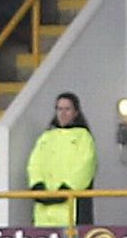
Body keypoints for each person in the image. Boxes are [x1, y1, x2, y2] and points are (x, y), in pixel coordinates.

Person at [27, 92, 96, 226]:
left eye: (67, 109)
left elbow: (85, 166)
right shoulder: (46, 137)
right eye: (59, 109)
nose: (62, 113)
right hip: (44, 214)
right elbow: (34, 164)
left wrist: (67, 189)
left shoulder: (83, 137)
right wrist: (37, 185)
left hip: (72, 209)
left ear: (76, 112)